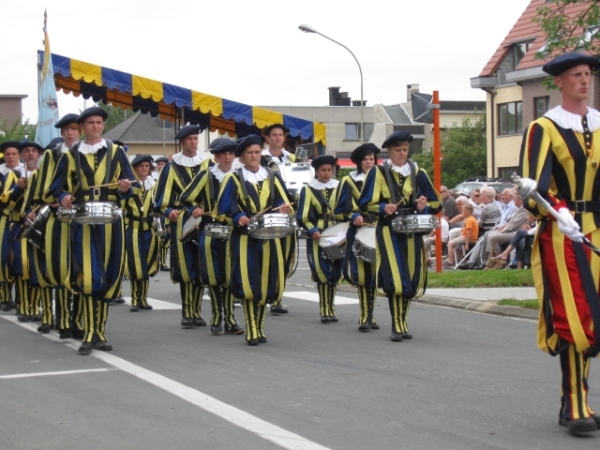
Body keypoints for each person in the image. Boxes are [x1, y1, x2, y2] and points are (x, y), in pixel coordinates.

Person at [520, 52, 600, 435]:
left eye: (588, 75)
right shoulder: (544, 127)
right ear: (560, 82)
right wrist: (559, 212)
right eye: (576, 75)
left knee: (595, 318)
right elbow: (532, 188)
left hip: (597, 229)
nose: (585, 81)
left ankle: (576, 398)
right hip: (562, 233)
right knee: (575, 316)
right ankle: (575, 402)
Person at [44, 106, 139, 355]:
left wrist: (126, 188)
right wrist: (64, 196)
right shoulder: (70, 155)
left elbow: (134, 187)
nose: (95, 126)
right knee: (88, 275)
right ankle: (88, 333)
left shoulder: (117, 152)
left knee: (106, 276)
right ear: (82, 127)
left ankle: (100, 332)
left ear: (103, 125)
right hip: (83, 220)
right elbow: (55, 188)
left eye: (99, 122)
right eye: (90, 123)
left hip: (110, 221)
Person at [359, 131, 441, 342]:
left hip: (412, 229)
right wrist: (384, 206)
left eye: (405, 149)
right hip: (388, 230)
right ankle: (397, 324)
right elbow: (366, 203)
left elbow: (436, 202)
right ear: (389, 151)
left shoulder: (417, 171)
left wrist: (422, 206)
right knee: (396, 278)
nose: (403, 153)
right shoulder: (378, 173)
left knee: (411, 277)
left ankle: (403, 321)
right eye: (398, 150)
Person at [216, 134, 293, 346]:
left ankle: (260, 327)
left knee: (267, 283)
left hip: (270, 238)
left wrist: (285, 208)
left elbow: (283, 202)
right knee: (250, 283)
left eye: (257, 152)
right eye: (249, 153)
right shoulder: (233, 178)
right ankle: (251, 328)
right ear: (242, 157)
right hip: (245, 240)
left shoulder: (271, 176)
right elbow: (222, 211)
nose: (254, 156)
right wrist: (237, 216)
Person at [179, 138, 244, 336]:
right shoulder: (206, 176)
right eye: (223, 154)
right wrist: (195, 208)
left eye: (231, 153)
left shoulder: (240, 176)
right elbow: (185, 197)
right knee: (214, 277)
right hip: (210, 232)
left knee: (230, 277)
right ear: (215, 156)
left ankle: (230, 319)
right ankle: (217, 317)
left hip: (233, 232)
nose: (227, 157)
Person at [154, 124, 213, 329]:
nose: (193, 142)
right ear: (182, 141)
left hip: (203, 221)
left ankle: (196, 311)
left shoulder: (207, 164)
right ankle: (187, 312)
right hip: (181, 222)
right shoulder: (171, 168)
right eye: (189, 139)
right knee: (186, 267)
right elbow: (161, 199)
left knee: (200, 266)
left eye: (196, 138)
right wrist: (168, 210)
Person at [31, 113, 81, 338]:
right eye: (66, 129)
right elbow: (43, 189)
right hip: (59, 219)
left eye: (74, 128)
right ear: (61, 133)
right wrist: (53, 198)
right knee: (62, 270)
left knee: (81, 269)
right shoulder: (52, 155)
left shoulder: (88, 153)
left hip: (82, 219)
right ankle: (63, 321)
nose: (70, 133)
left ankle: (79, 320)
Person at [334, 143, 380, 331]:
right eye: (366, 160)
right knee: (361, 274)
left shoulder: (382, 179)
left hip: (378, 230)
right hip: (358, 231)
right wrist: (353, 215)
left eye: (372, 159)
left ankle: (372, 315)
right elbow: (338, 210)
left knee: (375, 274)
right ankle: (364, 315)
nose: (369, 162)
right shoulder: (349, 181)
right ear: (359, 163)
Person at [297, 155, 343, 323]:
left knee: (336, 271)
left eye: (329, 170)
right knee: (322, 271)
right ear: (316, 171)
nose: (326, 173)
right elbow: (302, 216)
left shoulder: (340, 187)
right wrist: (312, 229)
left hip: (338, 235)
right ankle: (325, 309)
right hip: (319, 235)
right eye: (323, 170)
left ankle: (331, 306)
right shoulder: (308, 189)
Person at [260, 123, 300, 315]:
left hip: (289, 212)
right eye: (274, 135)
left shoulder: (293, 159)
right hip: (269, 213)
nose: (278, 138)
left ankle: (277, 298)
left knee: (285, 256)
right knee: (266, 257)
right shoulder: (260, 159)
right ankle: (260, 293)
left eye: (281, 135)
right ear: (267, 138)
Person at [123, 154, 159, 312]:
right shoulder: (128, 186)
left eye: (146, 166)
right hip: (133, 227)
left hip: (149, 228)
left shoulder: (154, 185)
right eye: (141, 166)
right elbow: (122, 207)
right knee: (134, 263)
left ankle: (143, 298)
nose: (144, 169)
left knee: (146, 261)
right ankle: (135, 299)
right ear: (135, 169)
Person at [0, 142, 20, 312]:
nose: (11, 157)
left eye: (14, 154)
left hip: (22, 220)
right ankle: (5, 296)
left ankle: (22, 297)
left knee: (21, 258)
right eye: (8, 154)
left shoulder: (26, 172)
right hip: (4, 219)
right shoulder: (1, 174)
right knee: (4, 256)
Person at [444, 203, 478, 268]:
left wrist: (467, 244)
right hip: (465, 236)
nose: (461, 212)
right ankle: (461, 259)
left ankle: (451, 261)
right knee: (455, 242)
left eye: (463, 210)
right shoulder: (469, 219)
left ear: (469, 211)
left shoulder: (470, 220)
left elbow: (469, 232)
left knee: (450, 244)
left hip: (469, 238)